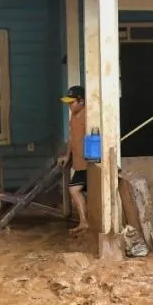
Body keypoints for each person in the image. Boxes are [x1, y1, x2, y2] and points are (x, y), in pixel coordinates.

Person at [62, 85, 89, 234]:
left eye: (71, 102)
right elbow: (72, 138)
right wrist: (67, 156)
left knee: (74, 189)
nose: (69, 105)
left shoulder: (89, 115)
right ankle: (84, 222)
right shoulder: (73, 116)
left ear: (82, 101)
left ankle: (85, 222)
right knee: (77, 190)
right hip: (79, 163)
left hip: (88, 163)